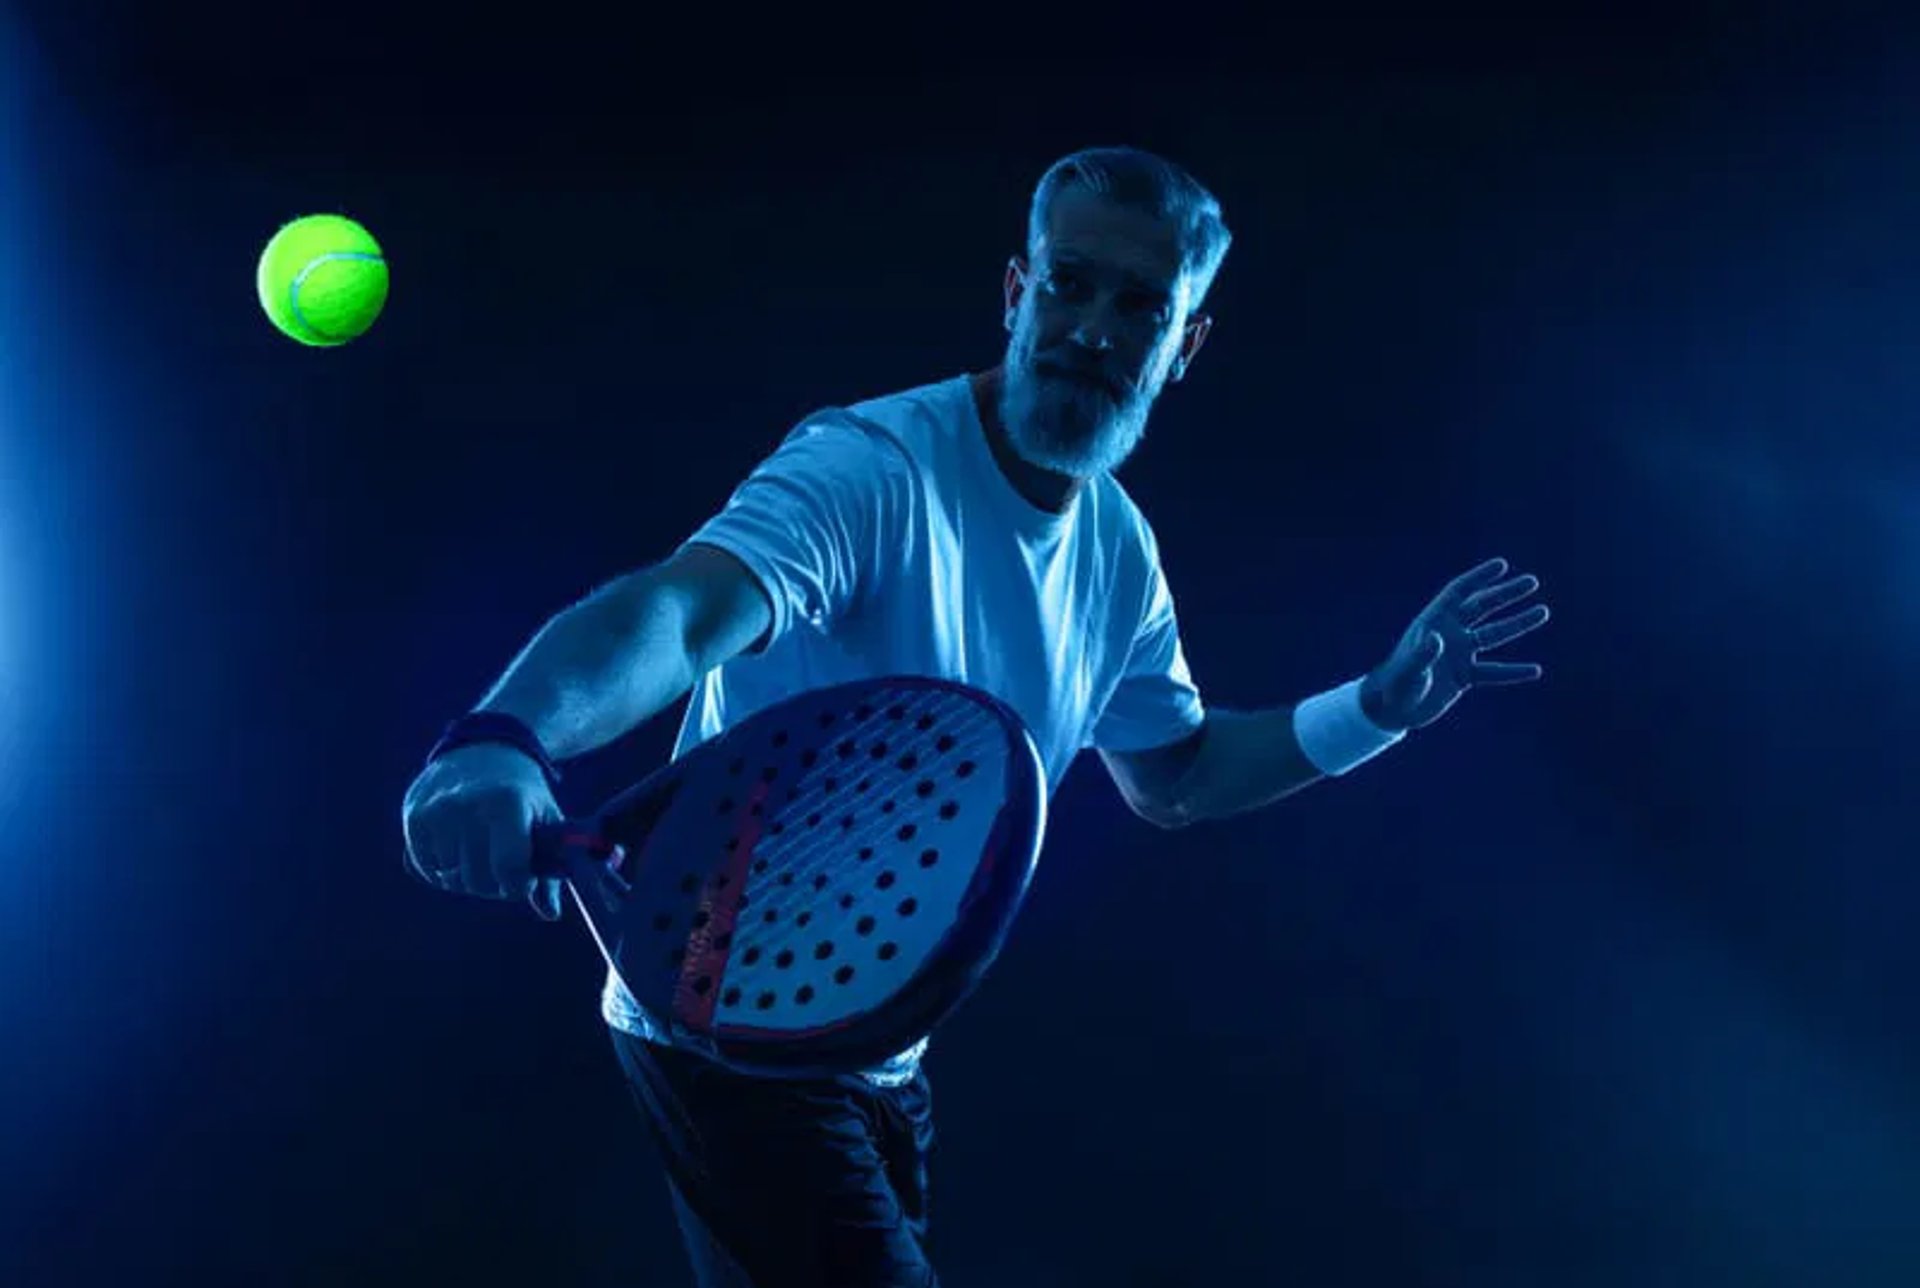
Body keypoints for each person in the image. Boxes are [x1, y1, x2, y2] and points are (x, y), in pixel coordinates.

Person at [400, 145, 1551, 1286]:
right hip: (722, 1013)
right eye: (1069, 283)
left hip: (879, 1046)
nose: (1094, 329)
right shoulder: (871, 467)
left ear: (1185, 345)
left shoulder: (1118, 553)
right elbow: (684, 611)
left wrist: (1382, 706)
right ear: (1018, 291)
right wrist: (506, 736)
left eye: (1141, 306)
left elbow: (1179, 776)